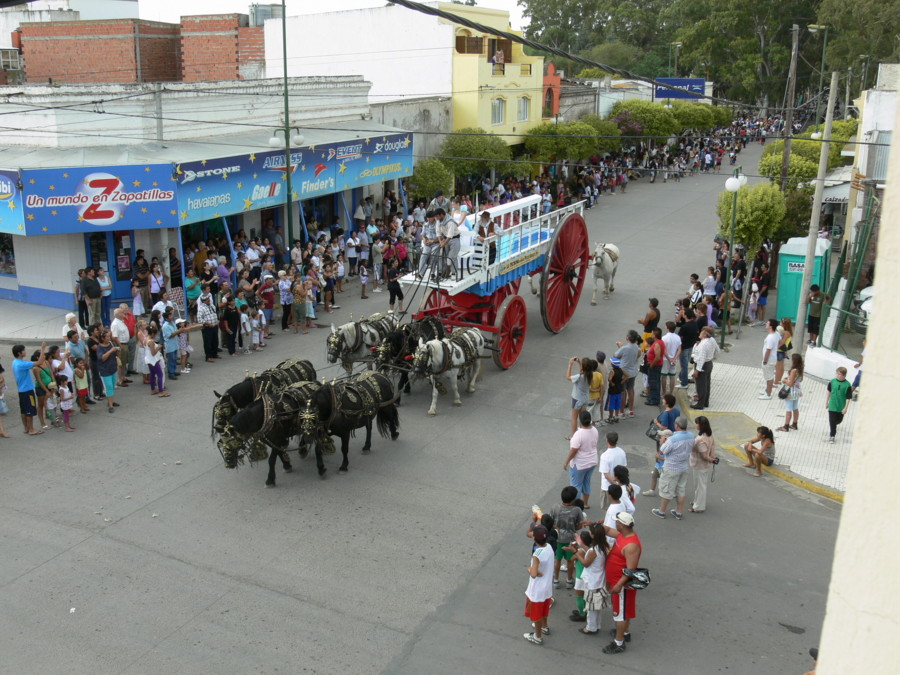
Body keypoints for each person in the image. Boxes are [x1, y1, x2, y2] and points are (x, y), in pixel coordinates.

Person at [602, 512, 642, 655]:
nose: (615, 524)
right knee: (624, 610)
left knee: (619, 613)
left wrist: (619, 584)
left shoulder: (631, 546)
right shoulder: (622, 534)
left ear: (622, 525)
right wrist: (594, 525)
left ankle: (619, 642)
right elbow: (607, 530)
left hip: (621, 586)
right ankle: (625, 632)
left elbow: (630, 570)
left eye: (617, 522)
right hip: (616, 582)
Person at [651, 415, 693, 520]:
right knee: (681, 490)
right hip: (684, 467)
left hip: (671, 468)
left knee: (667, 490)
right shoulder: (692, 436)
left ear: (676, 425)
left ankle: (662, 511)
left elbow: (662, 451)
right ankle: (678, 512)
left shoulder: (672, 440)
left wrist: (661, 443)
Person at [572, 528, 608, 634]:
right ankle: (596, 625)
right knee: (596, 605)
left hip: (592, 581)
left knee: (591, 606)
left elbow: (585, 563)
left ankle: (590, 627)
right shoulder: (603, 547)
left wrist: (576, 553)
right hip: (599, 579)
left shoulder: (594, 550)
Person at [523, 525, 554, 646]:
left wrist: (529, 569)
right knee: (544, 610)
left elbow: (534, 574)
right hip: (547, 588)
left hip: (537, 590)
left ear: (534, 538)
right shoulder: (550, 547)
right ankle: (544, 627)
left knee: (536, 615)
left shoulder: (537, 554)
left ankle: (537, 636)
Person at [549, 486, 585, 588]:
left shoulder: (555, 507)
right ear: (574, 499)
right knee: (570, 561)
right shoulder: (577, 510)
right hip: (571, 540)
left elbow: (550, 522)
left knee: (558, 560)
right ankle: (569, 580)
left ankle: (556, 580)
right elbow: (579, 526)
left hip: (558, 539)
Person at [563, 411, 599, 509]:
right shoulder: (595, 430)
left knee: (576, 486)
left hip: (580, 464)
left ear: (580, 421)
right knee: (586, 482)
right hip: (592, 461)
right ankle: (586, 503)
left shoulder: (578, 434)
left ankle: (576, 507)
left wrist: (566, 461)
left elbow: (573, 450)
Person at [12, 344, 44, 435]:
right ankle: (31, 429)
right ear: (19, 353)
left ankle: (26, 428)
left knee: (23, 410)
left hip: (21, 390)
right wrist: (42, 349)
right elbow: (40, 362)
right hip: (27, 390)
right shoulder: (22, 364)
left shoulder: (15, 362)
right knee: (30, 410)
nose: (25, 352)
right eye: (24, 350)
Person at [690, 416, 716, 513]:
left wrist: (710, 459)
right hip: (704, 465)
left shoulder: (701, 439)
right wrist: (712, 457)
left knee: (700, 486)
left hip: (699, 465)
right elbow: (713, 445)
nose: (695, 425)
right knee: (700, 485)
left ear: (700, 425)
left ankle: (698, 507)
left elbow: (704, 455)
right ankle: (697, 502)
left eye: (696, 423)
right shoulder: (709, 435)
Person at [691, 326, 720, 410]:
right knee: (707, 384)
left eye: (701, 332)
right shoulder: (712, 340)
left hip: (702, 366)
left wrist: (697, 370)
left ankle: (700, 404)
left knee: (701, 386)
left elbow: (701, 358)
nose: (699, 333)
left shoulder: (703, 345)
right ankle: (705, 402)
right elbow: (717, 351)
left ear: (704, 335)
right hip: (709, 363)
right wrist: (710, 356)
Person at [614, 331, 641, 418]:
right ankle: (630, 410)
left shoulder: (624, 348)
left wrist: (620, 347)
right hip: (632, 372)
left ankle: (621, 412)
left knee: (623, 392)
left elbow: (616, 355)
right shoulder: (637, 347)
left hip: (623, 373)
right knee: (630, 390)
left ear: (627, 338)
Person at [566, 357, 594, 439]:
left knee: (574, 418)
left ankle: (573, 436)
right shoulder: (590, 375)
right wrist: (579, 363)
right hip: (585, 399)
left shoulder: (579, 377)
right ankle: (583, 434)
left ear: (583, 367)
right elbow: (583, 371)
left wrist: (570, 365)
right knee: (582, 417)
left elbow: (568, 377)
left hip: (577, 399)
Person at [777, 354, 804, 432]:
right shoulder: (800, 369)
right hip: (797, 391)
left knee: (789, 408)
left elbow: (790, 384)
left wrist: (785, 380)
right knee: (795, 407)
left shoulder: (793, 370)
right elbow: (799, 380)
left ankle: (786, 426)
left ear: (794, 361)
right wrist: (789, 378)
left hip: (791, 392)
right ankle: (794, 424)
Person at [95, 329, 120, 413]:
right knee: (108, 387)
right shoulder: (100, 347)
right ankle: (110, 405)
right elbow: (102, 358)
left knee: (112, 386)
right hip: (105, 370)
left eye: (109, 336)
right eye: (107, 337)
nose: (109, 338)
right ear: (102, 338)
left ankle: (111, 401)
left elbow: (115, 355)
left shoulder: (110, 344)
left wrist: (117, 351)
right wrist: (111, 351)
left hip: (112, 368)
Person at [826, 367, 852, 443]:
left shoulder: (847, 385)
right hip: (832, 405)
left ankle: (835, 424)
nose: (837, 375)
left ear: (844, 375)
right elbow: (829, 392)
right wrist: (826, 402)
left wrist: (845, 408)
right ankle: (832, 436)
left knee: (839, 421)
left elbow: (848, 398)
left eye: (839, 374)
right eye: (837, 373)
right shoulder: (832, 382)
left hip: (841, 407)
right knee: (832, 421)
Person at [676, 308, 699, 389]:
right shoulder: (694, 324)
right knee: (685, 364)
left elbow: (678, 338)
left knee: (684, 366)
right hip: (691, 347)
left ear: (685, 315)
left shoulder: (684, 327)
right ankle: (681, 377)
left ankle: (684, 383)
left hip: (684, 348)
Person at [197, 288, 220, 363]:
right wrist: (207, 323)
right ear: (203, 301)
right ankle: (208, 356)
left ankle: (214, 353)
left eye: (209, 299)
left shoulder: (212, 306)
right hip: (207, 328)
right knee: (208, 342)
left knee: (215, 341)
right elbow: (199, 320)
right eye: (207, 300)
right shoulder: (201, 308)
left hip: (214, 326)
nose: (209, 300)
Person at [759, 319, 780, 399]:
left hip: (769, 360)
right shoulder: (777, 334)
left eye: (767, 323)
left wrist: (765, 360)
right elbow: (781, 342)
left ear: (771, 326)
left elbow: (768, 350)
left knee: (769, 377)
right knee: (769, 375)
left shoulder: (771, 337)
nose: (766, 324)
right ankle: (767, 390)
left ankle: (768, 394)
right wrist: (776, 348)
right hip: (773, 358)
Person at [644, 329, 665, 406]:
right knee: (655, 382)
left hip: (655, 366)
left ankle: (654, 400)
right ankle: (653, 397)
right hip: (655, 365)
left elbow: (657, 357)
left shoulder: (657, 344)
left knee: (654, 383)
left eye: (652, 333)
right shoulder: (659, 342)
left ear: (654, 335)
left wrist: (651, 365)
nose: (651, 335)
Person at [661, 322, 681, 397]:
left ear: (667, 328)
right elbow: (679, 349)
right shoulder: (677, 337)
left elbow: (664, 350)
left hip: (666, 359)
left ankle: (663, 392)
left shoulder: (664, 338)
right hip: (674, 359)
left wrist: (669, 358)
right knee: (672, 376)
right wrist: (674, 358)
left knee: (664, 376)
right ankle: (671, 392)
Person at [775, 318, 794, 386]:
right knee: (781, 366)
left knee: (778, 368)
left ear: (784, 324)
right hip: (783, 351)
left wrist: (776, 347)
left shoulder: (786, 332)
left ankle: (776, 381)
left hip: (780, 350)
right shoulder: (789, 332)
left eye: (781, 322)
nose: (780, 323)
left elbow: (783, 342)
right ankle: (779, 380)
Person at [605, 357, 624, 424]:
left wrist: (612, 383)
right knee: (617, 404)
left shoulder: (612, 371)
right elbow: (627, 376)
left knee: (611, 404)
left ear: (613, 364)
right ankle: (616, 416)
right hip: (619, 389)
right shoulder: (621, 370)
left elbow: (609, 379)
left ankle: (611, 417)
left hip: (613, 391)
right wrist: (622, 382)